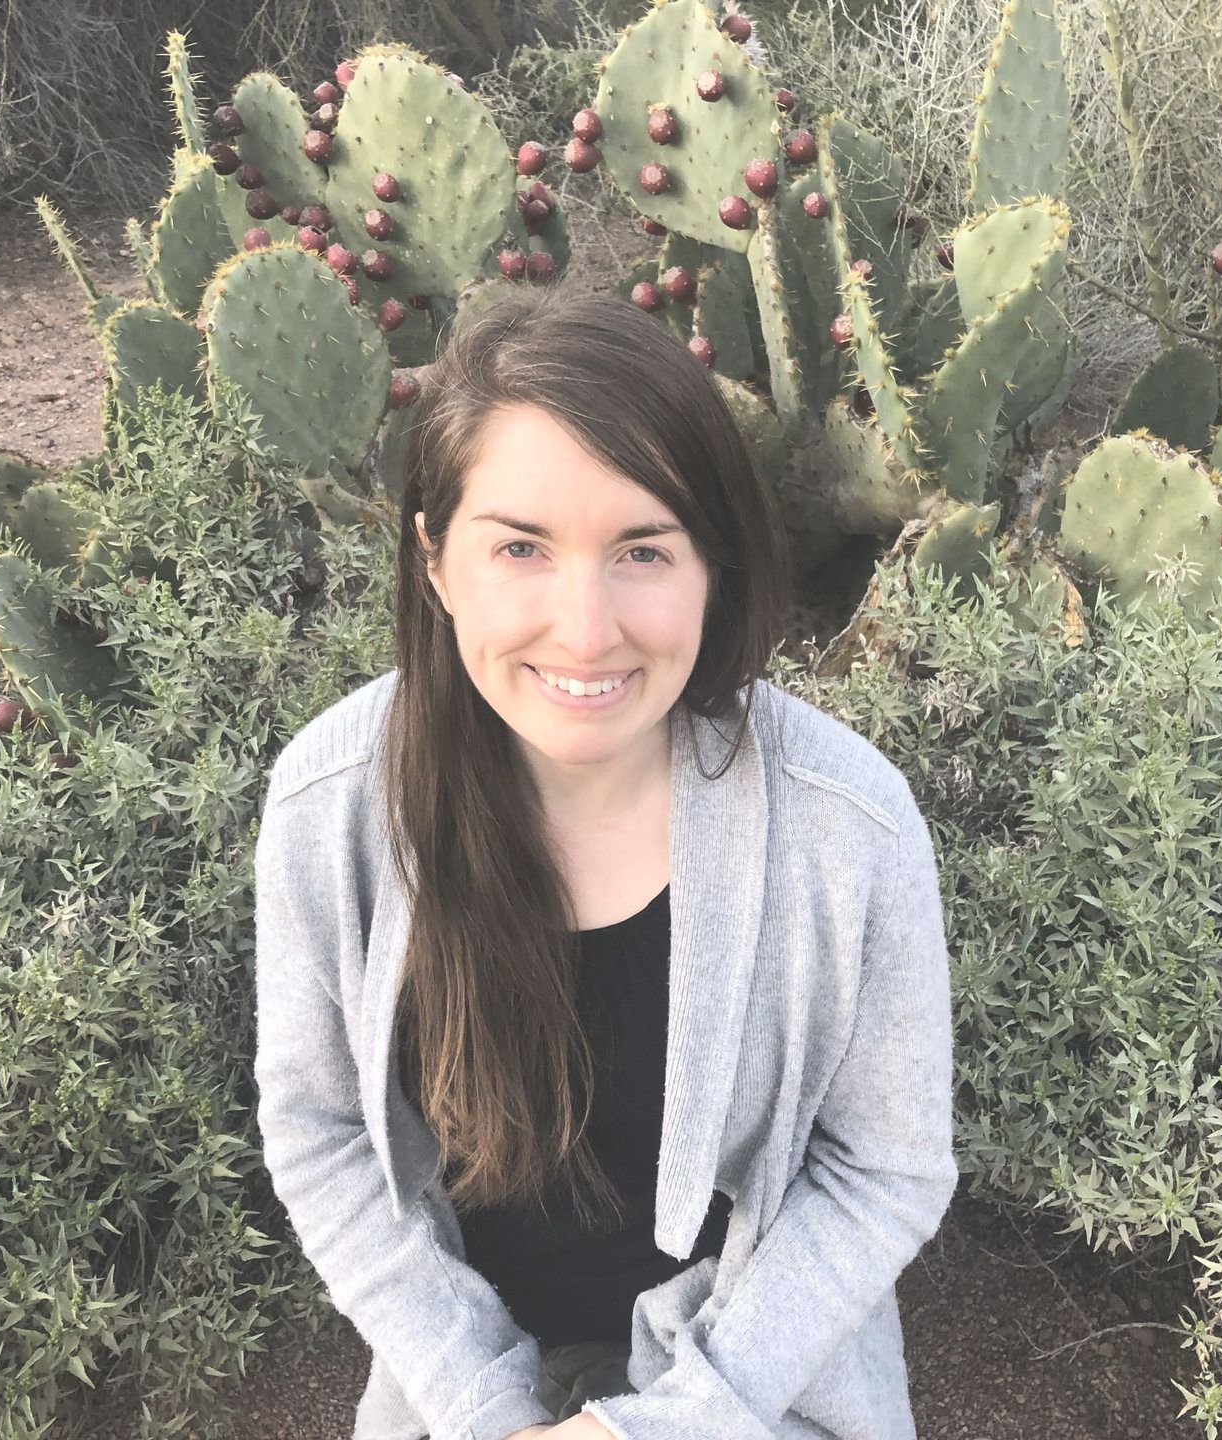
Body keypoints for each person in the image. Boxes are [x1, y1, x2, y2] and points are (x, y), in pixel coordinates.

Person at [252, 281, 959, 1440]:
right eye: (520, 547)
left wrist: (658, 1425)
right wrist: (485, 1408)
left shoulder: (848, 825)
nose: (586, 631)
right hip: (460, 1388)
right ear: (435, 561)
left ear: (712, 565)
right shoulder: (333, 806)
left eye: (642, 549)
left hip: (748, 1389)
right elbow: (322, 1133)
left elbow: (886, 1168)